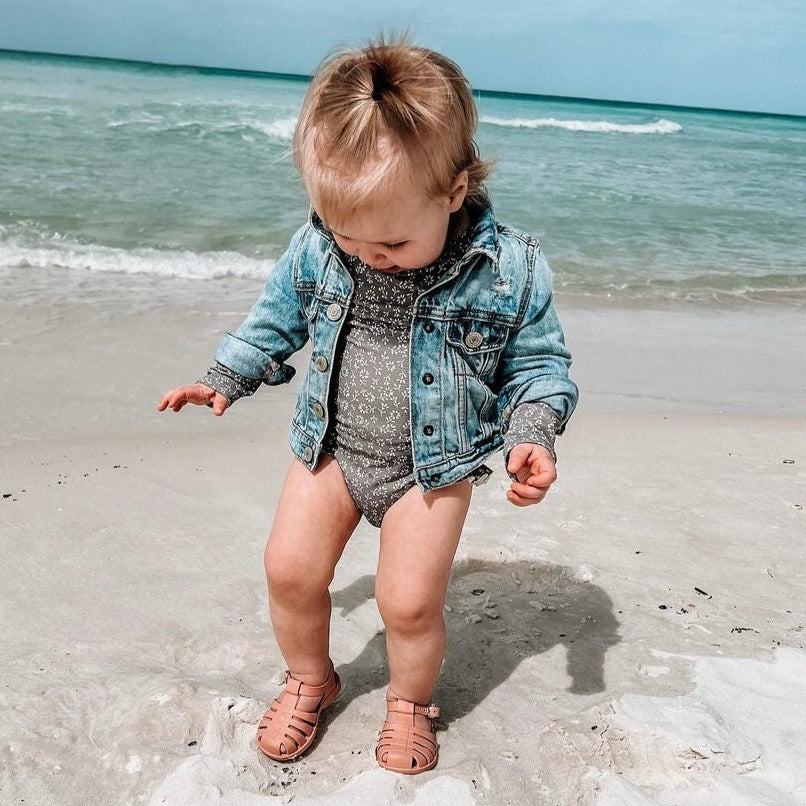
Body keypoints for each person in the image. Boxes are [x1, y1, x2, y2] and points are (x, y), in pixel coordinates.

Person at [158, 37, 578, 775]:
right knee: (289, 570)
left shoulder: (508, 268)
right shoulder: (322, 245)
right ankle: (311, 680)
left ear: (453, 191)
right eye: (346, 234)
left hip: (433, 464)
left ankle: (411, 703)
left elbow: (538, 364)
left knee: (408, 604)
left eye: (388, 240)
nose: (365, 255)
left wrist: (532, 433)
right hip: (333, 448)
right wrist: (225, 376)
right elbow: (276, 319)